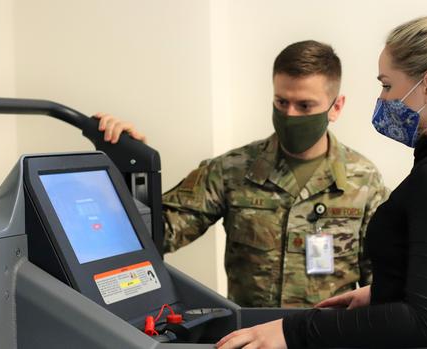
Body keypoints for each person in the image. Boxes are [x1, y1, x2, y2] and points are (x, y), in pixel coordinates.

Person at [216, 12, 427, 348]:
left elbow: (423, 323)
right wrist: (386, 292)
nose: (382, 99)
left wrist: (293, 330)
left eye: (387, 85)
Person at [95, 40, 389, 308]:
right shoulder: (232, 170)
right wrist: (131, 168)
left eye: (305, 105)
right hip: (253, 336)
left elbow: (382, 280)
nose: (290, 115)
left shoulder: (362, 179)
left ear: (335, 107)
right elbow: (154, 235)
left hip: (328, 337)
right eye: (281, 102)